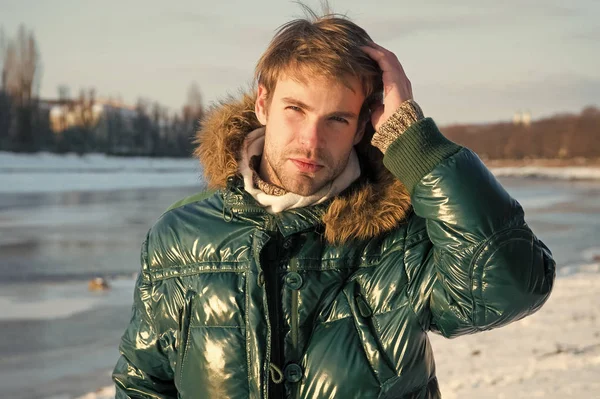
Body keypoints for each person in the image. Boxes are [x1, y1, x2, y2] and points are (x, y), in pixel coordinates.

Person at [112, 8, 555, 399]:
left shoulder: (402, 237)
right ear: (263, 103)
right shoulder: (178, 237)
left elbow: (509, 288)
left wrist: (414, 141)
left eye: (337, 119)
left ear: (364, 125)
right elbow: (143, 385)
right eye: (295, 109)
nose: (311, 141)